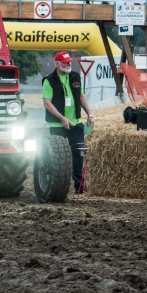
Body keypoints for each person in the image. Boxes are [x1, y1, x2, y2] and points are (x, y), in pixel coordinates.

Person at [42, 50, 95, 195]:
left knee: (78, 152)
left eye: (69, 62)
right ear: (57, 64)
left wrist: (89, 114)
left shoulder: (75, 76)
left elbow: (81, 96)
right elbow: (47, 103)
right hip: (57, 124)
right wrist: (62, 118)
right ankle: (55, 185)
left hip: (76, 123)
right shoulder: (49, 80)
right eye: (65, 62)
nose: (68, 64)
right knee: (57, 157)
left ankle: (79, 186)